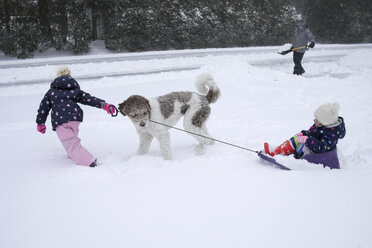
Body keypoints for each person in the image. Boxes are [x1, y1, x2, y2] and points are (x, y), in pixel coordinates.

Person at [36, 67, 116, 167]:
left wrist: (40, 123)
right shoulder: (74, 90)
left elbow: (43, 109)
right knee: (72, 140)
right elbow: (89, 99)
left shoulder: (51, 92)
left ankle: (89, 162)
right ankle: (74, 155)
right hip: (75, 118)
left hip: (60, 120)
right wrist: (105, 105)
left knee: (70, 143)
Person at [264, 102, 346, 159]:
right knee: (296, 138)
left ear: (325, 122)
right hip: (311, 145)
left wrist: (308, 140)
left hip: (316, 153)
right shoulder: (322, 125)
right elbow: (314, 133)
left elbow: (321, 147)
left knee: (296, 142)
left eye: (317, 119)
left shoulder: (331, 134)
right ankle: (278, 150)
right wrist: (305, 133)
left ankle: (277, 154)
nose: (314, 121)